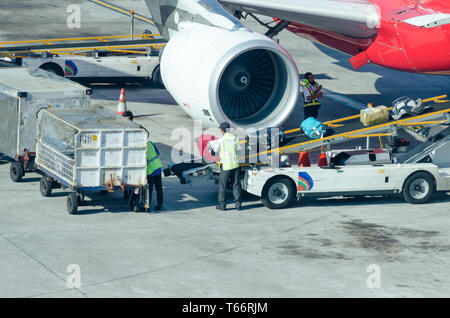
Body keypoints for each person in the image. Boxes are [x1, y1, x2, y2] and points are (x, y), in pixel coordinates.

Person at [212, 122, 241, 211]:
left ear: (222, 130)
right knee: (236, 185)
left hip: (226, 166)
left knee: (223, 186)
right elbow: (239, 149)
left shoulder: (221, 140)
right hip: (235, 165)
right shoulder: (235, 138)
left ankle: (222, 205)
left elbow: (214, 151)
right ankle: (238, 205)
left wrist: (211, 151)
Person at [146, 139, 164, 211]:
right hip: (158, 168)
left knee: (149, 190)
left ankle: (148, 206)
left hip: (150, 171)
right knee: (159, 188)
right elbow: (158, 153)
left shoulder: (140, 146)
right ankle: (160, 205)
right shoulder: (150, 143)